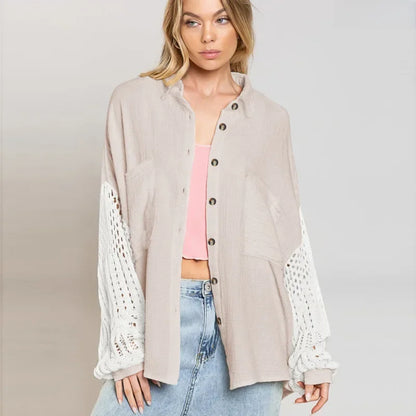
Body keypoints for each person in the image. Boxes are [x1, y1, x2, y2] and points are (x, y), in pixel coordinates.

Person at [90, 0, 339, 415]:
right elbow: (114, 227)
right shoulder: (133, 103)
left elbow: (290, 240)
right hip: (161, 327)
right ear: (176, 29)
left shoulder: (271, 119)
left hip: (252, 335)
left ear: (239, 26)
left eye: (221, 19)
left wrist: (311, 349)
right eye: (193, 22)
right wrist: (126, 344)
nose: (208, 35)